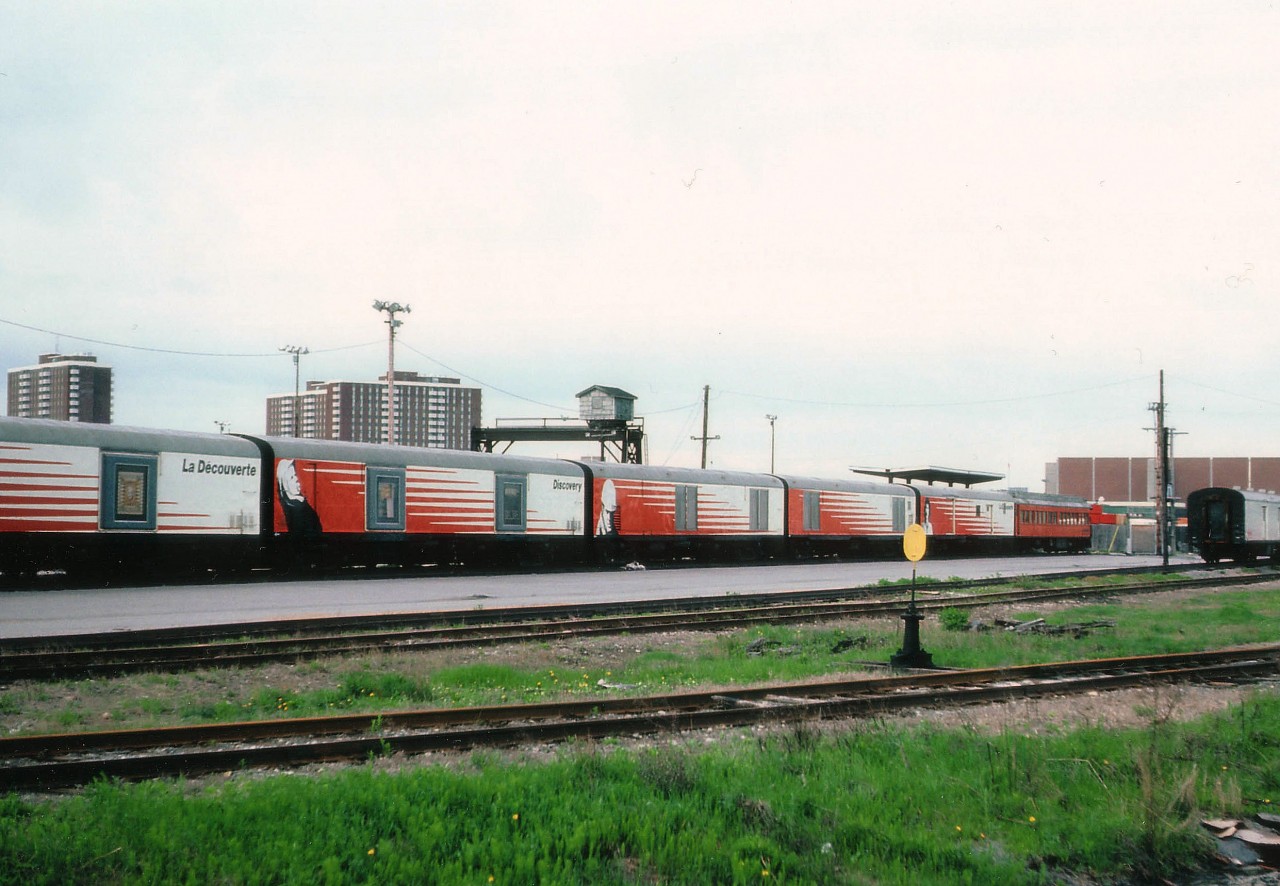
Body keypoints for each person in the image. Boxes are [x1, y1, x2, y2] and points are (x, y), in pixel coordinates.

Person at [276, 458, 322, 535]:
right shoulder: (297, 507)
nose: (296, 479)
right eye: (291, 477)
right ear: (285, 484)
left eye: (295, 475)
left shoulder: (299, 503)